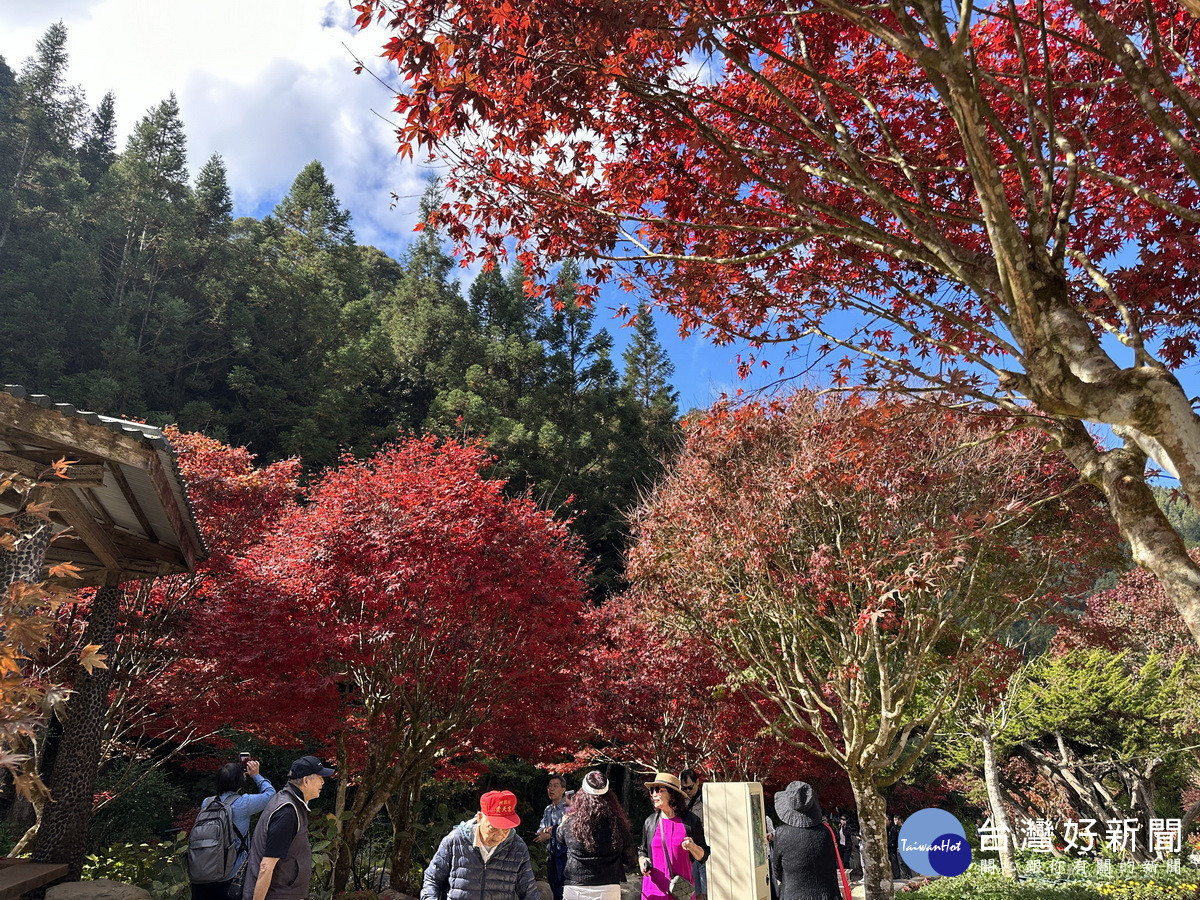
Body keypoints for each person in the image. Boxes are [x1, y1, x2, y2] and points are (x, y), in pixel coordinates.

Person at [243, 755, 335, 900]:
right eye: (320, 777)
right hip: (276, 895)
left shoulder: (290, 801)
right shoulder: (287, 813)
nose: (323, 781)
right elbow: (266, 866)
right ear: (306, 781)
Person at [421, 789, 540, 900]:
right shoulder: (455, 840)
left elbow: (529, 892)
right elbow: (432, 879)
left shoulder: (517, 847)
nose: (499, 836)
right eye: (493, 829)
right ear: (480, 818)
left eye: (505, 830)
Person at [191, 758, 276, 900]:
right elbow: (270, 794)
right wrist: (256, 775)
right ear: (240, 781)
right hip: (231, 877)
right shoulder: (243, 803)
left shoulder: (207, 802)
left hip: (201, 874)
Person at [559, 771, 636, 900]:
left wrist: (564, 820)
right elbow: (630, 859)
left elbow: (559, 837)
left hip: (575, 886)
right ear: (609, 796)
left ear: (581, 795)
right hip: (608, 887)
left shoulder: (571, 823)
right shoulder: (618, 825)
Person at [638, 772, 708, 900]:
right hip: (653, 892)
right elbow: (643, 851)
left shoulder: (691, 821)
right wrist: (643, 861)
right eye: (652, 790)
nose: (654, 794)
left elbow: (703, 856)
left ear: (672, 794)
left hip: (680, 891)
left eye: (659, 790)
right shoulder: (650, 822)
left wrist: (692, 847)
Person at [771, 781, 842, 900]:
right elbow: (831, 864)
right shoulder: (827, 832)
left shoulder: (782, 833)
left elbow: (777, 870)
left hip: (793, 894)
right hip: (827, 894)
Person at [535, 775, 570, 900]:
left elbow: (569, 829)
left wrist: (550, 833)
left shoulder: (568, 808)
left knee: (564, 889)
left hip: (566, 855)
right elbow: (541, 828)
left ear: (563, 789)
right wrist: (546, 832)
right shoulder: (548, 809)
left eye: (556, 786)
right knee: (554, 888)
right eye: (549, 786)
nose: (551, 789)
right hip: (552, 854)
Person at [679, 770, 707, 900]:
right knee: (693, 889)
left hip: (704, 848)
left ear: (697, 782)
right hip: (689, 850)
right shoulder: (680, 802)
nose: (687, 791)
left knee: (707, 888)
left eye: (690, 787)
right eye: (684, 788)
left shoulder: (707, 800)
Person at [887, 814, 911, 880]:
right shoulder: (895, 828)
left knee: (905, 862)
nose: (895, 821)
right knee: (901, 863)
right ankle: (905, 876)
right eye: (894, 819)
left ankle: (909, 876)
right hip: (898, 847)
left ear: (900, 820)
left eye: (896, 819)